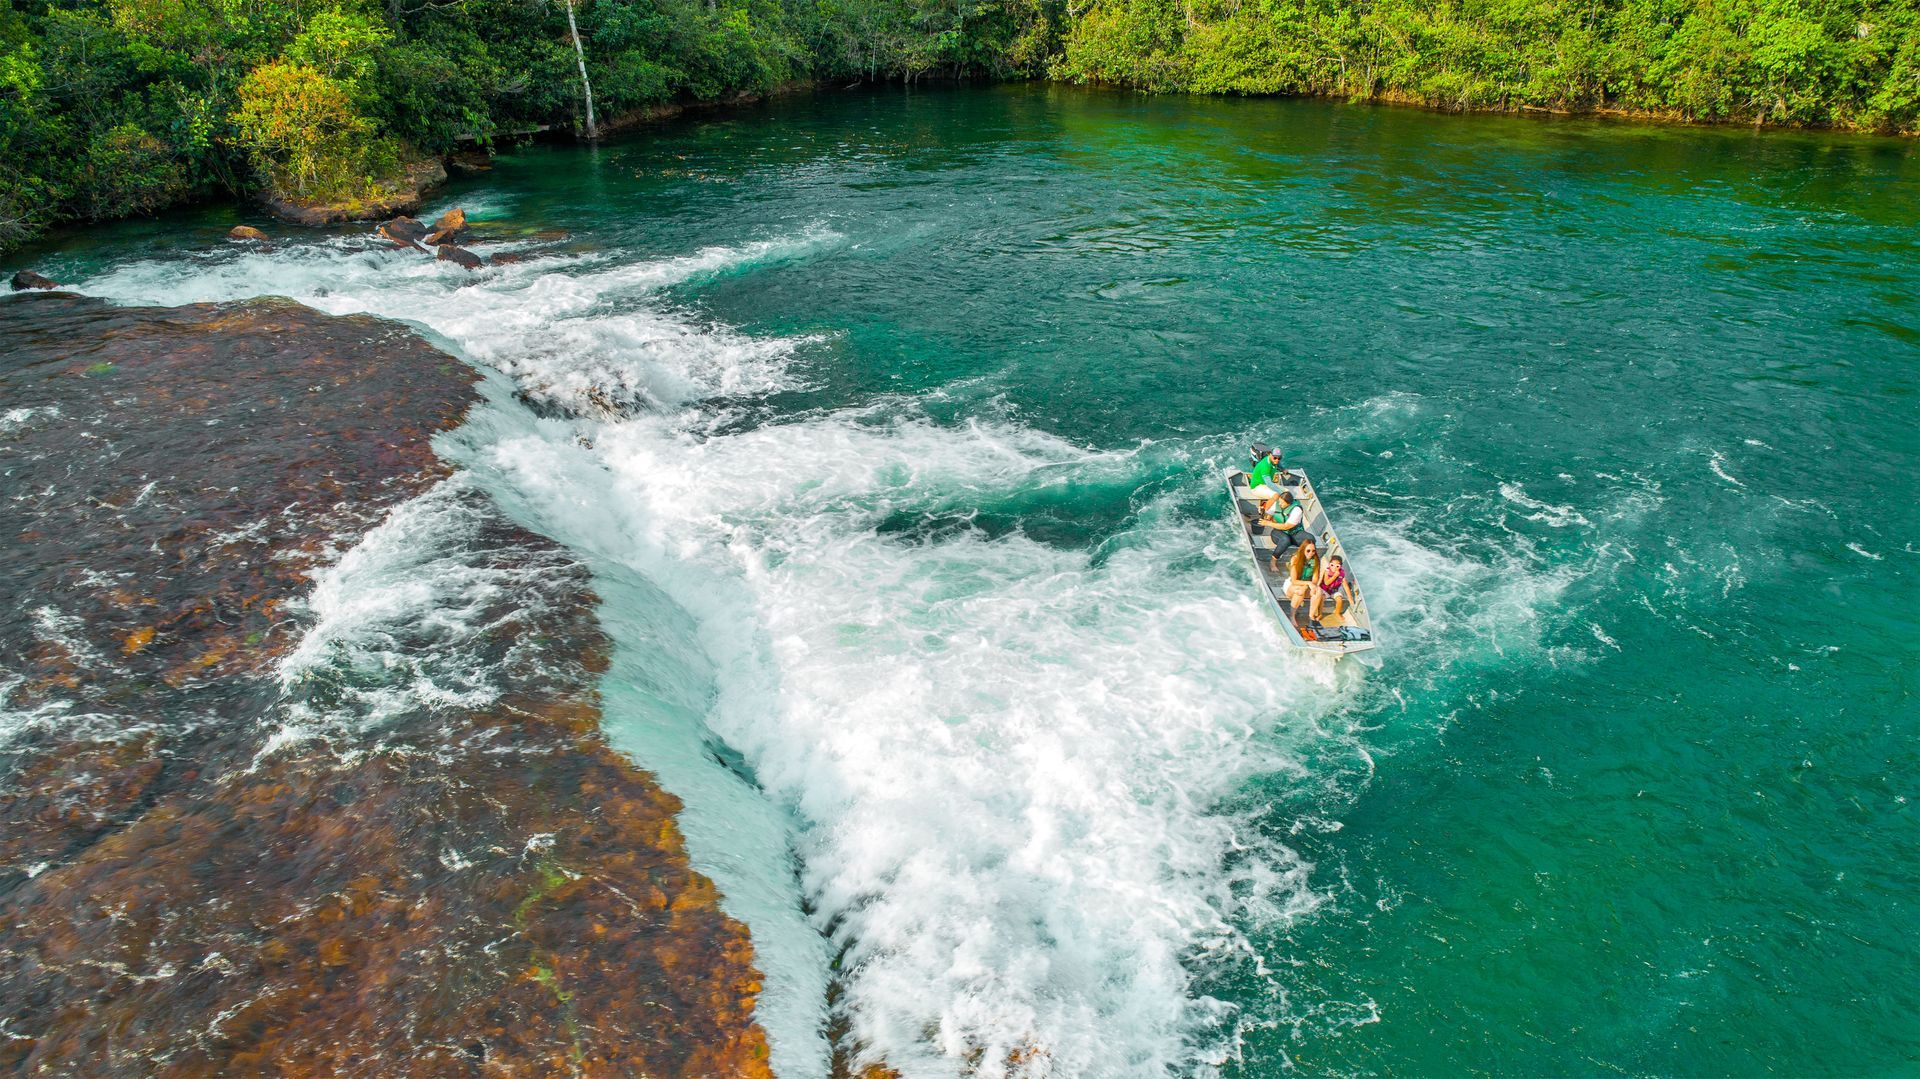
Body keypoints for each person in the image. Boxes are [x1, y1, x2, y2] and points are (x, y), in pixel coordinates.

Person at [1280, 538, 1319, 619]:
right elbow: (1294, 581)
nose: (1311, 553)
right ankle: (1292, 616)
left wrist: (1311, 586)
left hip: (1306, 585)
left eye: (1313, 551)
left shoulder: (1315, 560)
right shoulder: (1295, 559)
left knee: (1318, 591)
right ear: (1303, 549)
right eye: (1308, 550)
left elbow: (1315, 579)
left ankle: (1311, 616)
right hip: (1292, 585)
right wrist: (1308, 583)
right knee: (1300, 592)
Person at [1245, 445, 1290, 512]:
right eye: (1275, 458)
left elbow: (1277, 464)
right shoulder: (1265, 466)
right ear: (1269, 454)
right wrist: (1281, 494)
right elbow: (1269, 483)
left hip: (1265, 485)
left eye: (1279, 458)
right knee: (1276, 495)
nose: (1277, 460)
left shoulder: (1273, 460)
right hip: (1257, 487)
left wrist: (1283, 469)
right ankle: (1264, 511)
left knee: (1287, 492)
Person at [1310, 553, 1352, 624]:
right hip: (1325, 590)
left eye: (1337, 566)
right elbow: (1326, 582)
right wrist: (1335, 576)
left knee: (1339, 599)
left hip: (1334, 590)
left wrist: (1350, 598)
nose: (1334, 568)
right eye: (1332, 565)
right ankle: (1320, 613)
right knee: (1322, 598)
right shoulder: (1327, 571)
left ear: (1340, 567)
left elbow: (1345, 586)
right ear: (1329, 564)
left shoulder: (1341, 574)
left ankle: (1337, 613)